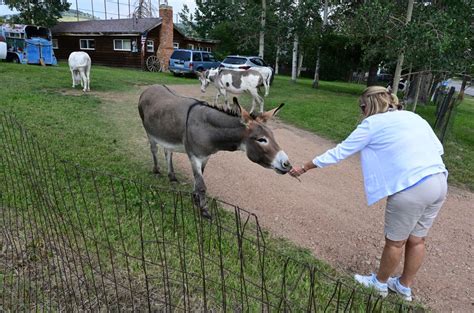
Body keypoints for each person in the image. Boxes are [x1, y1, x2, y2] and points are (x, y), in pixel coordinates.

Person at [289, 86, 447, 301]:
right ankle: (404, 286)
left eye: (362, 107)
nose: (361, 112)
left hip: (412, 186)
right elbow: (438, 149)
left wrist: (304, 167)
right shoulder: (413, 116)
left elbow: (339, 152)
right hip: (438, 180)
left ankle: (379, 284)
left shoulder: (372, 124)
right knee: (417, 240)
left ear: (368, 105)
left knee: (395, 242)